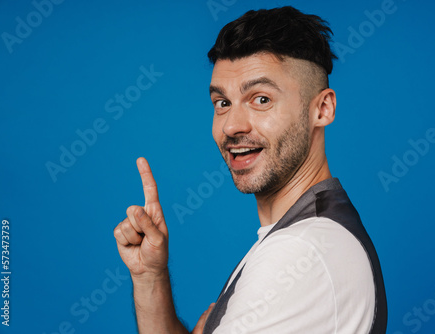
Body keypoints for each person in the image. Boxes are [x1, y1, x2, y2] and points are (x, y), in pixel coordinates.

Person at [114, 6, 387, 334]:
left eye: (261, 100)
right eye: (222, 103)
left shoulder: (300, 254)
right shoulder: (300, 236)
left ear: (323, 109)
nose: (231, 126)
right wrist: (150, 278)